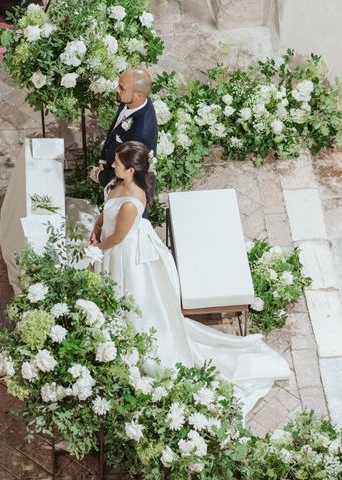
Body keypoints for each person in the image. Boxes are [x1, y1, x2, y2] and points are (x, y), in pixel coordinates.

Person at [90, 141, 291, 418]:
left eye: (118, 163)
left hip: (124, 254)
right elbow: (106, 214)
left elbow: (117, 238)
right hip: (113, 243)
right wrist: (96, 227)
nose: (113, 165)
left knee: (132, 302)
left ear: (132, 169)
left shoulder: (132, 202)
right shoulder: (116, 185)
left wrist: (94, 248)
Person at [90, 68, 158, 216]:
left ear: (139, 94)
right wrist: (103, 159)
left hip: (128, 191)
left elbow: (129, 172)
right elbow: (114, 132)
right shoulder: (130, 100)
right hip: (116, 168)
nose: (116, 89)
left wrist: (99, 175)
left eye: (122, 87)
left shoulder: (142, 133)